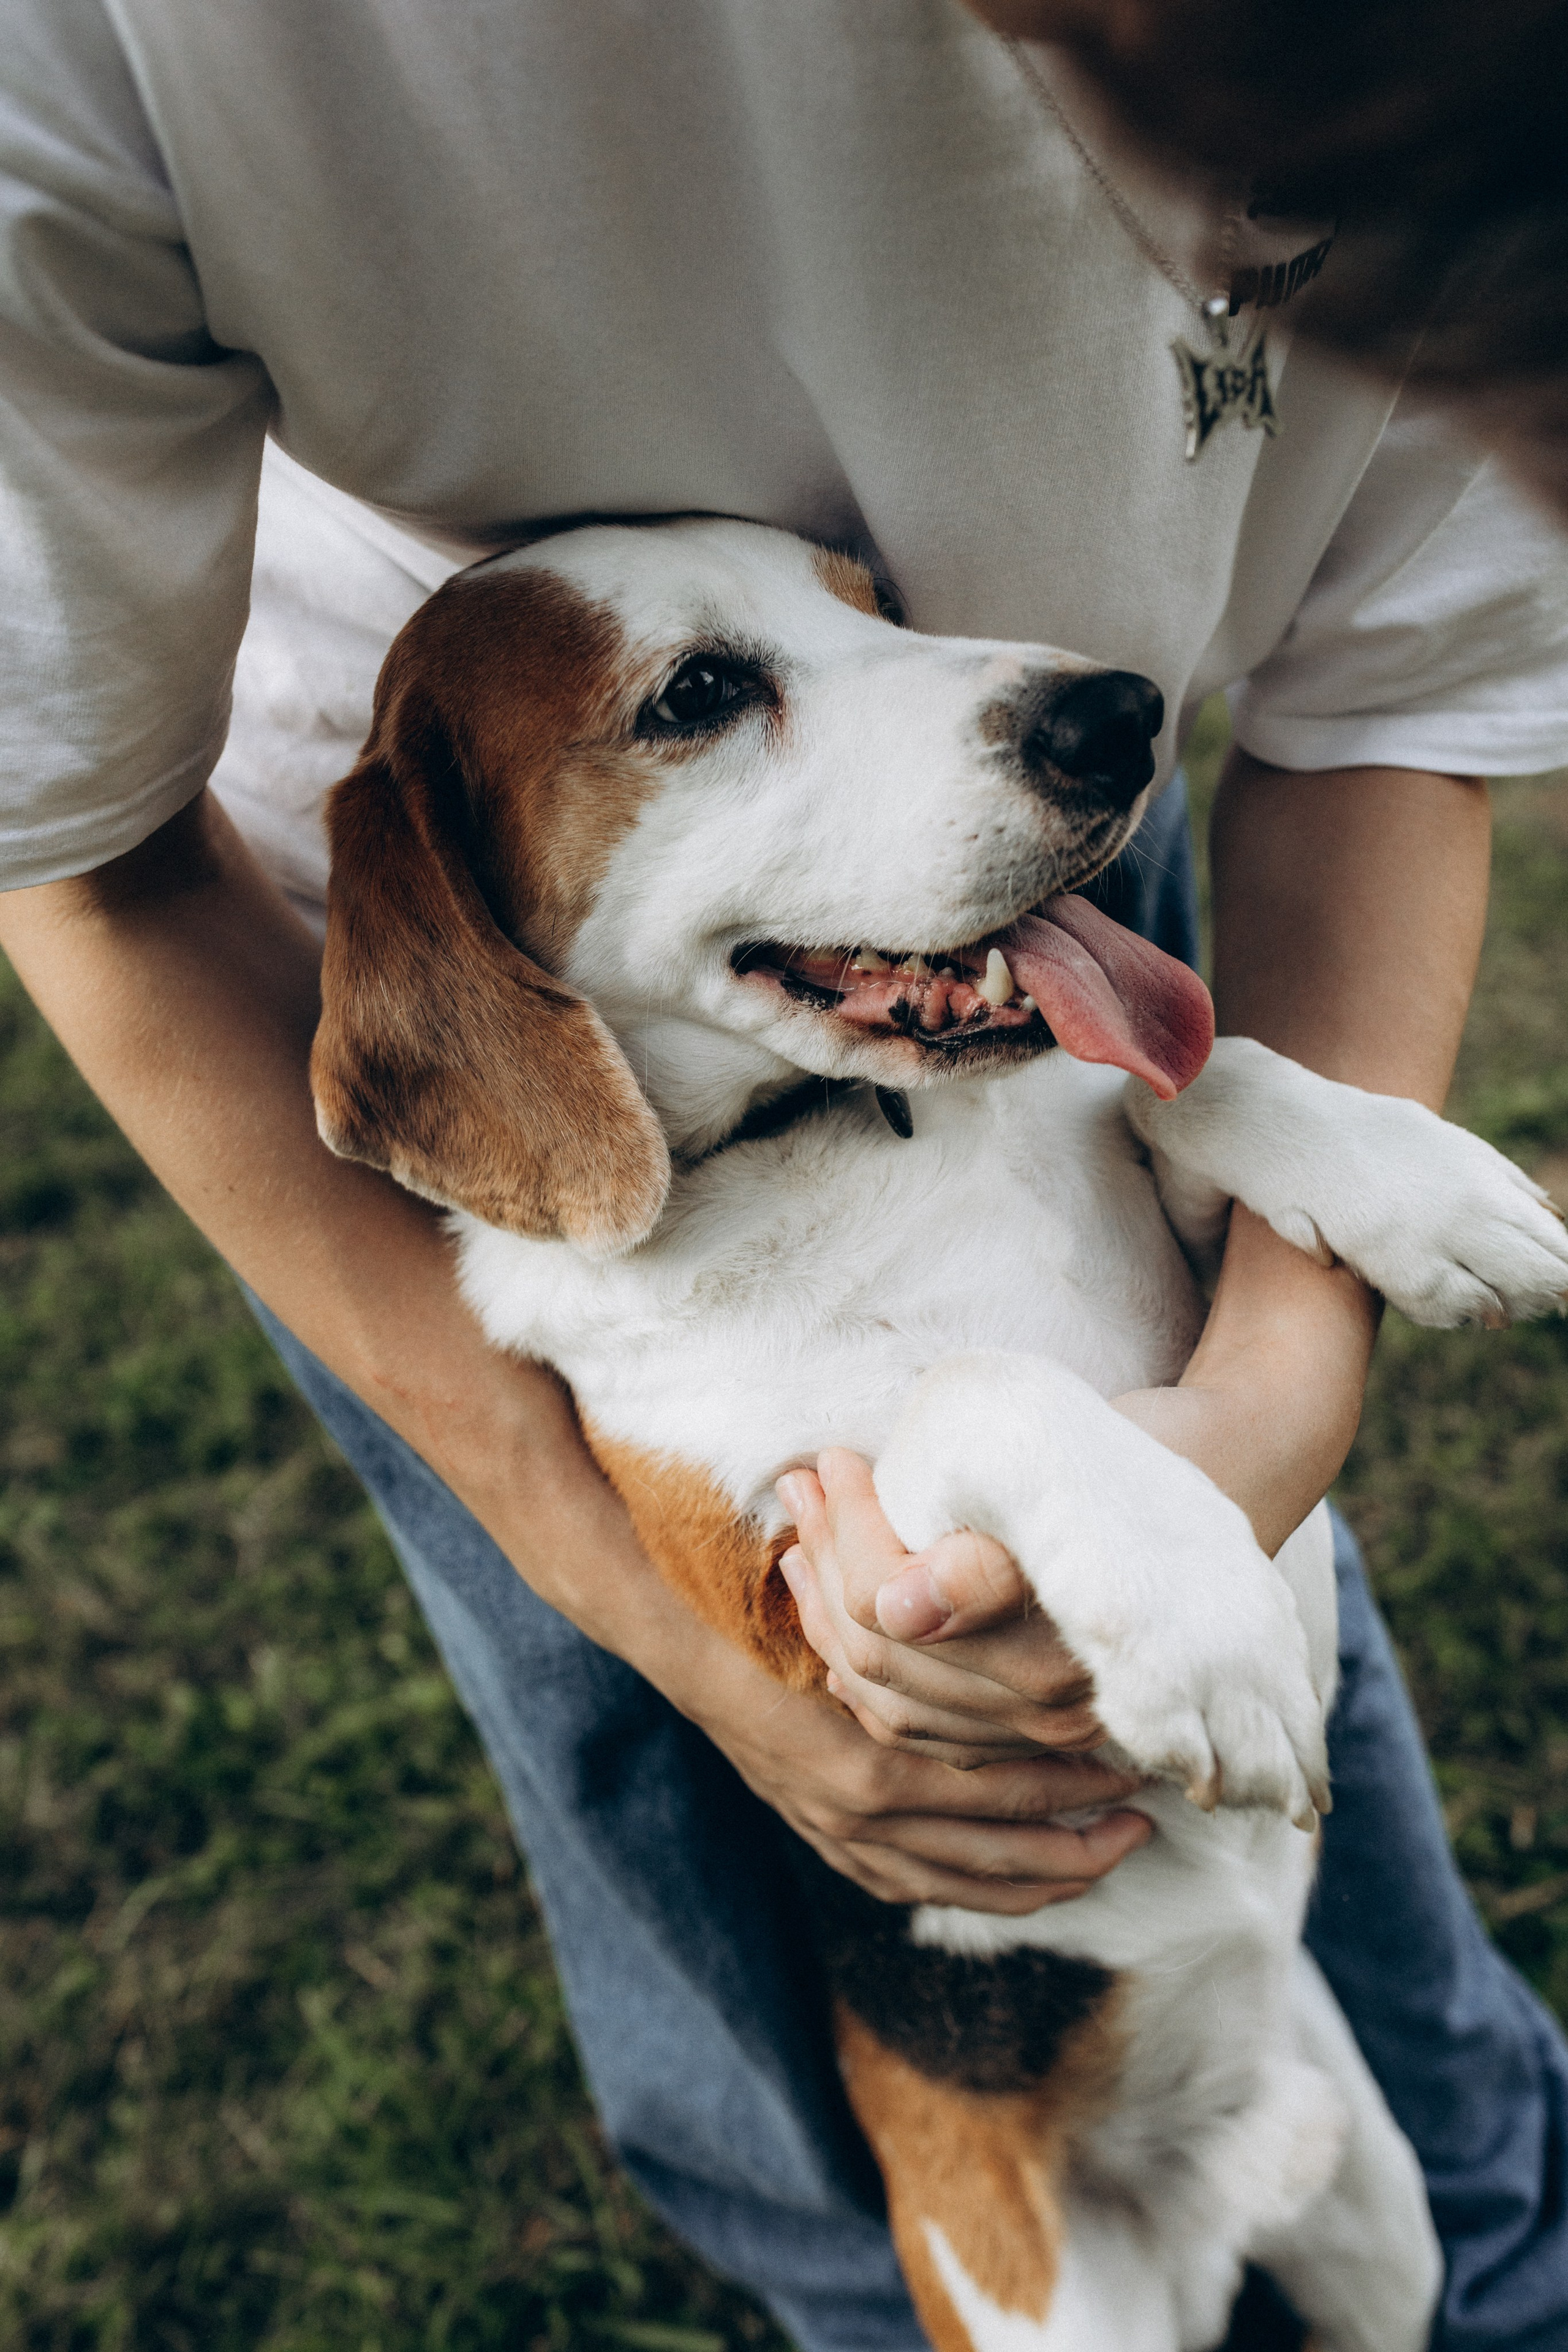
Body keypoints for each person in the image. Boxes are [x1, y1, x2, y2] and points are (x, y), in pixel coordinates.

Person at [1, 5, 1566, 2346]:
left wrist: (1282, 1356)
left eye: (853, 622)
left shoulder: (1462, 89)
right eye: (709, 703)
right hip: (517, 1044)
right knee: (693, 1839)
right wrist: (649, 1613)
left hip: (965, 946)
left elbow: (1393, 719)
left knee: (1393, 2106)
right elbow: (86, 864)